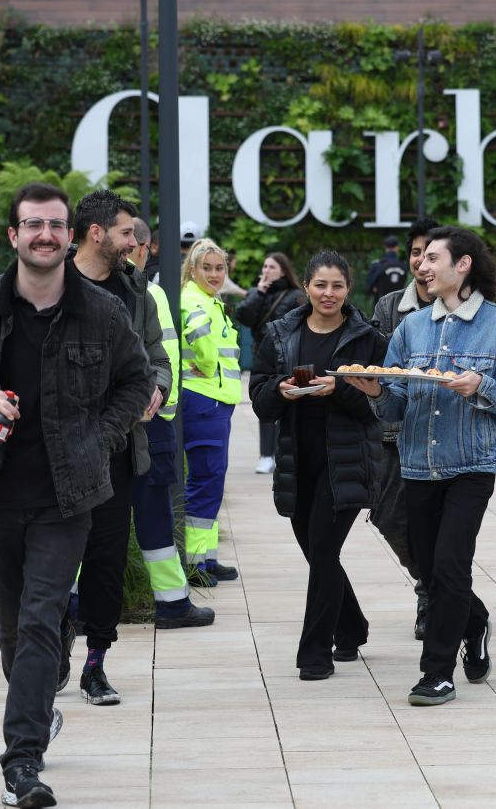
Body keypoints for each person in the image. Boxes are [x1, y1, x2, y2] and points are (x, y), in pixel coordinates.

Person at [0, 182, 151, 809]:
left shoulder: (102, 313)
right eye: (34, 226)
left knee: (37, 618)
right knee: (14, 629)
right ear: (14, 235)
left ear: (70, 234)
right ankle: (40, 692)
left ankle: (21, 762)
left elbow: (136, 384)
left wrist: (99, 439)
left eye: (55, 225)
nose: (45, 236)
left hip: (69, 493)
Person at [347, 227, 496, 707]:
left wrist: (482, 385)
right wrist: (374, 389)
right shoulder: (411, 328)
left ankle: (436, 673)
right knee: (432, 572)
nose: (422, 266)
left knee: (451, 566)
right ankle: (474, 624)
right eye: (422, 259)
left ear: (464, 265)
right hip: (417, 464)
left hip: (471, 464)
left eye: (434, 258)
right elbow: (394, 404)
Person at [250, 250, 387, 680]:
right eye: (321, 285)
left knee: (325, 550)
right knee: (317, 553)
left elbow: (380, 406)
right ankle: (352, 627)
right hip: (298, 461)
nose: (329, 294)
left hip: (347, 462)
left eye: (338, 286)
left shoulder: (369, 338)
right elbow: (259, 398)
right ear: (306, 286)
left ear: (349, 289)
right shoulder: (279, 334)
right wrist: (282, 389)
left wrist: (339, 388)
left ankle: (314, 653)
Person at [65, 190, 172, 707]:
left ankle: (95, 665)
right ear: (97, 233)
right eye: (128, 232)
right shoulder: (49, 286)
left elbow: (157, 357)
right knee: (53, 557)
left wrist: (157, 388)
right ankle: (52, 641)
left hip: (119, 449)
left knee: (106, 559)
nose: (136, 241)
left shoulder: (137, 294)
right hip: (55, 451)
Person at [126, 218, 216, 629]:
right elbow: (165, 358)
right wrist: (165, 407)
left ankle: (72, 605)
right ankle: (172, 603)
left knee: (87, 518)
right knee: (155, 515)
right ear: (145, 248)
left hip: (127, 418)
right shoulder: (153, 292)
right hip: (153, 421)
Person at [369, 215, 439, 639]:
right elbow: (378, 360)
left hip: (446, 437)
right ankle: (433, 582)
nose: (421, 261)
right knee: (388, 516)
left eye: (431, 254)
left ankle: (434, 595)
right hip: (395, 431)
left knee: (437, 523)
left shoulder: (469, 307)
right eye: (416, 253)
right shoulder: (390, 306)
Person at [179, 237, 243, 586]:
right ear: (193, 268)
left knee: (212, 479)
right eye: (207, 268)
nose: (215, 274)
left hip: (214, 400)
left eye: (220, 268)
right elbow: (202, 346)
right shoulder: (194, 300)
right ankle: (195, 563)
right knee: (205, 479)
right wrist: (205, 362)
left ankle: (205, 556)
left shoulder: (206, 300)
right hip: (204, 399)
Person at [234, 252, 307, 474]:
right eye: (264, 266)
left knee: (292, 406)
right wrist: (259, 292)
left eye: (271, 267)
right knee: (265, 404)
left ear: (283, 271)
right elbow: (243, 316)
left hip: (290, 358)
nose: (266, 271)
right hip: (263, 357)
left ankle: (289, 453)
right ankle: (266, 455)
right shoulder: (259, 294)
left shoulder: (295, 295)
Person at [366, 233, 408, 303]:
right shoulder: (403, 265)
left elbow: (370, 286)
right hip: (399, 305)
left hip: (380, 305)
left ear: (384, 247)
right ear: (397, 247)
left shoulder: (377, 265)